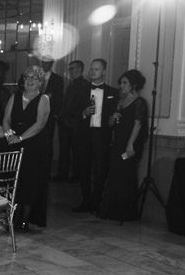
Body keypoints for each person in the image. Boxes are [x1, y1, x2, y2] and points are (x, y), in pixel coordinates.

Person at [3, 65, 51, 231]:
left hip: (34, 145)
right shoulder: (14, 97)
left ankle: (26, 219)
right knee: (14, 180)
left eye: (34, 78)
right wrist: (10, 136)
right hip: (14, 142)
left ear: (40, 82)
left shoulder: (43, 99)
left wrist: (21, 138)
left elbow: (40, 124)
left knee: (31, 181)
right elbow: (6, 119)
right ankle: (13, 217)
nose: (30, 81)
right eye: (27, 77)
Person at [97, 69, 149, 220]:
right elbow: (110, 124)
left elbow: (138, 125)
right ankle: (111, 210)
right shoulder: (120, 101)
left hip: (129, 144)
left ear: (134, 85)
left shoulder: (139, 102)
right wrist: (113, 119)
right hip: (118, 142)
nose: (121, 86)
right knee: (114, 175)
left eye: (125, 83)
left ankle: (125, 212)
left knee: (126, 176)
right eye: (121, 83)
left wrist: (130, 145)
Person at [72, 58, 118, 213]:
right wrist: (83, 113)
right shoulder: (81, 91)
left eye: (97, 69)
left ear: (103, 71)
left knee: (100, 170)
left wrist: (113, 123)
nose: (93, 72)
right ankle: (85, 200)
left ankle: (97, 201)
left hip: (102, 135)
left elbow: (114, 116)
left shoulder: (113, 93)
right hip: (84, 134)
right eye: (91, 69)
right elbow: (71, 113)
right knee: (83, 169)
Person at [57, 60, 88, 181]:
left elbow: (82, 106)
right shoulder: (71, 84)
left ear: (80, 69)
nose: (70, 71)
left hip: (76, 123)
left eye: (72, 68)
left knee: (76, 151)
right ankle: (62, 175)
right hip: (65, 122)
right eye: (69, 69)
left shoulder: (84, 85)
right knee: (64, 150)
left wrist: (74, 119)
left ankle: (76, 175)